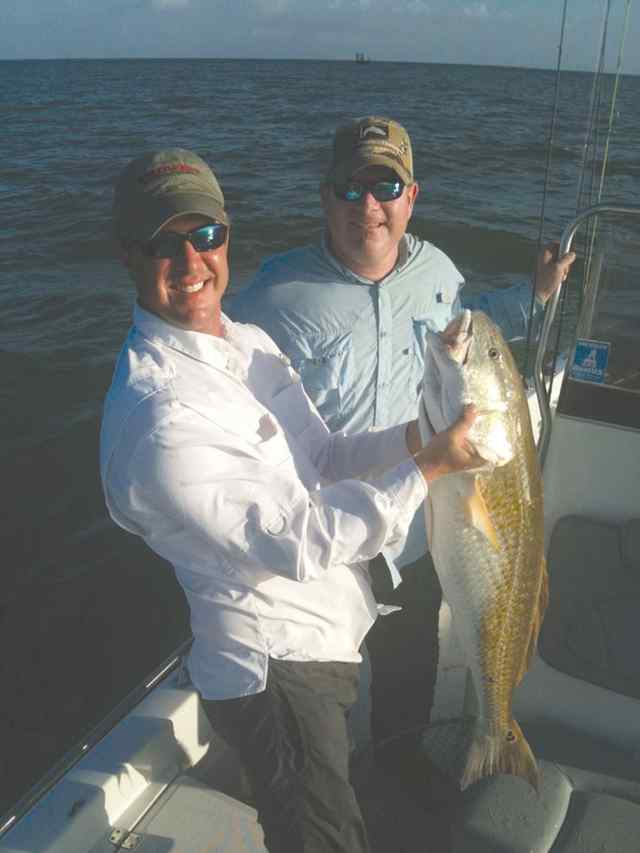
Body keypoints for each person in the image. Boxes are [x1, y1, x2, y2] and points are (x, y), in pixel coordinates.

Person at [99, 148, 487, 853]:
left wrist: (417, 433)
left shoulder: (241, 341)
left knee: (326, 811)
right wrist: (429, 466)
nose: (191, 263)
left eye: (205, 234)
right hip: (274, 670)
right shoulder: (158, 420)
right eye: (163, 243)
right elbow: (301, 541)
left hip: (325, 632)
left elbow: (327, 455)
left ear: (226, 233)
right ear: (128, 254)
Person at [225, 116, 577, 803]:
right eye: (351, 187)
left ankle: (399, 772)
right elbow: (217, 377)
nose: (368, 205)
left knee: (412, 662)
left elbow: (472, 325)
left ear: (411, 195)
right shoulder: (273, 294)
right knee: (317, 697)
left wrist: (533, 298)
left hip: (414, 531)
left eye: (384, 185)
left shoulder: (439, 274)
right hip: (322, 544)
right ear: (325, 196)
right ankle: (327, 798)